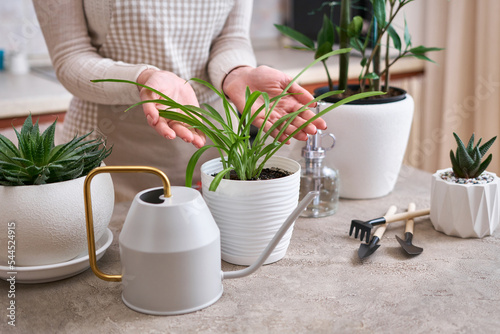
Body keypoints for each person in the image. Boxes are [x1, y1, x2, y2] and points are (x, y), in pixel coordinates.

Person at [33, 0, 326, 200]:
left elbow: (231, 38)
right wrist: (142, 78)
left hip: (216, 143)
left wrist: (236, 73)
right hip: (111, 155)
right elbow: (71, 56)